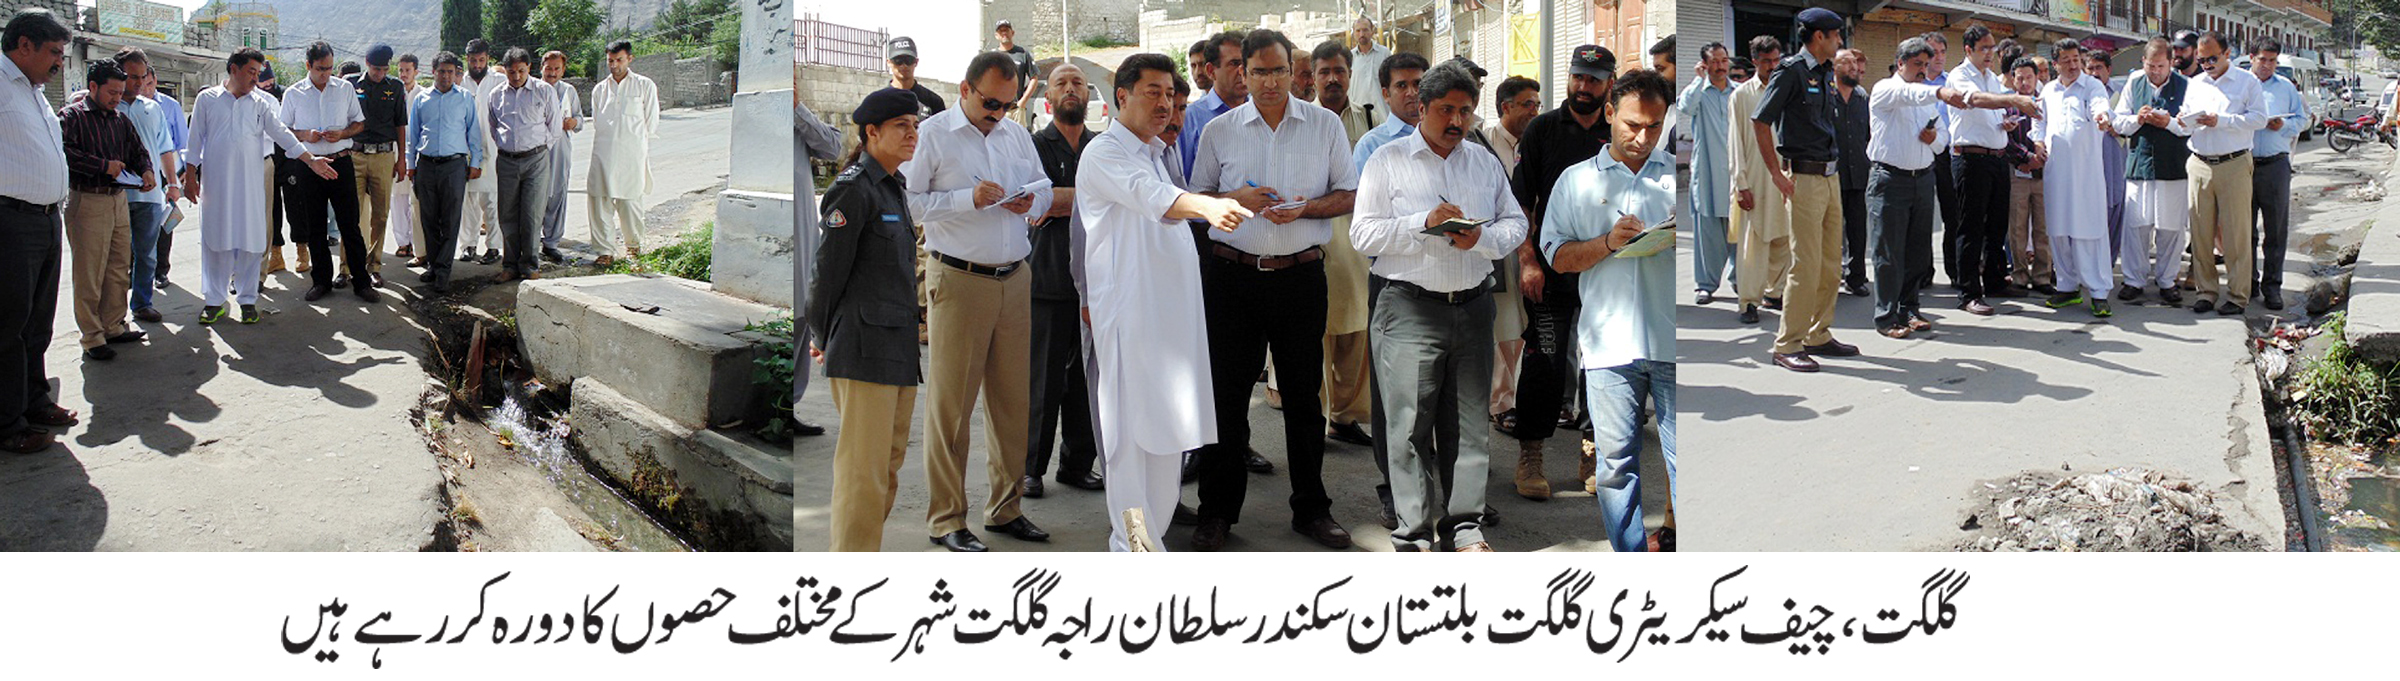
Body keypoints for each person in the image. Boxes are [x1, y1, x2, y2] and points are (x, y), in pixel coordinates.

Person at [1185, 28, 1361, 551]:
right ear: (1242, 73)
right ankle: (1217, 512)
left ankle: (1311, 509)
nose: (1268, 82)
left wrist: (1305, 209)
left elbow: (1349, 193)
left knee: (1304, 399)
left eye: (1278, 70)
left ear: (1292, 72)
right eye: (1257, 72)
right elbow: (1197, 198)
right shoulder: (1219, 130)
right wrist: (1235, 200)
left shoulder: (1324, 126)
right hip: (1232, 278)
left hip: (1300, 278)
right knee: (1227, 398)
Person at [1354, 62, 1527, 552]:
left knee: (1469, 426)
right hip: (1408, 308)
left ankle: (1465, 528)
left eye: (1465, 111)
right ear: (1422, 107)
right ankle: (1413, 533)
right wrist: (1421, 223)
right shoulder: (1387, 160)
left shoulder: (1482, 162)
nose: (1456, 120)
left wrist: (1481, 239)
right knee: (1408, 427)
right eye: (1446, 109)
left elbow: (1515, 223)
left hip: (1472, 306)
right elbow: (1362, 234)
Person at [1081, 53, 1251, 551]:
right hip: (1131, 326)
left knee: (1167, 440)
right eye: (1152, 92)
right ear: (1122, 97)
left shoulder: (1155, 152)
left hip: (1170, 330)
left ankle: (1149, 547)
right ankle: (1133, 547)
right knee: (1129, 449)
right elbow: (1151, 198)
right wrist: (1206, 204)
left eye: (1170, 95)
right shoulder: (1106, 152)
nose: (1164, 104)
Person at [902, 51, 1057, 553]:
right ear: (965, 90)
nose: (999, 113)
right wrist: (966, 199)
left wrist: (1029, 201)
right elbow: (907, 202)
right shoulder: (932, 135)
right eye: (991, 103)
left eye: (1008, 105)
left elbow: (1043, 188)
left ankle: (1006, 508)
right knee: (952, 408)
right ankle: (946, 518)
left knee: (1013, 403)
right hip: (959, 279)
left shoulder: (1015, 134)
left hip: (1015, 276)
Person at [1540, 68, 1677, 553]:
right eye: (1633, 125)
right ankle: (1630, 559)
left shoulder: (1678, 176)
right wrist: (1607, 243)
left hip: (1674, 343)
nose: (1643, 138)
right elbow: (1556, 256)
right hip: (1608, 346)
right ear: (1610, 113)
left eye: (1654, 127)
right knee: (1616, 466)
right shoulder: (1576, 181)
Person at [813, 87, 925, 552]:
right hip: (862, 349)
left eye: (915, 126)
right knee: (863, 476)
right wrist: (823, 336)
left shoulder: (893, 186)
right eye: (902, 126)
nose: (912, 134)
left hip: (897, 349)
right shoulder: (853, 189)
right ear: (872, 132)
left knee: (886, 470)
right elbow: (827, 274)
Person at [1507, 44, 1609, 500]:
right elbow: (1520, 203)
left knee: (1601, 362)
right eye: (1578, 77)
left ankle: (1592, 450)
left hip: (1606, 272)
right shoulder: (1543, 129)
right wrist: (1528, 260)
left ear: (1608, 84)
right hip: (1551, 271)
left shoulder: (1615, 131)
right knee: (1544, 360)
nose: (1583, 87)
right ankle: (1531, 453)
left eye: (1593, 80)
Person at [184, 47, 338, 325]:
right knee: (216, 241)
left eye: (258, 72)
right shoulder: (207, 99)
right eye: (251, 72)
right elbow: (195, 139)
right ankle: (214, 301)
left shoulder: (260, 104)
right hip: (216, 186)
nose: (256, 78)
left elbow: (282, 134)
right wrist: (190, 175)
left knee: (250, 241)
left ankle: (247, 300)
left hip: (250, 185)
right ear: (234, 69)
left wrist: (311, 160)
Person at [1751, 8, 1856, 373]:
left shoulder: (1825, 72)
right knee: (1805, 265)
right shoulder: (1791, 71)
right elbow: (1760, 121)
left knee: (1830, 265)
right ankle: (1787, 344)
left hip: (1830, 176)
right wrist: (1776, 174)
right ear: (1819, 37)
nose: (1839, 41)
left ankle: (1817, 333)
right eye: (1835, 35)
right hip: (1804, 178)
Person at [1023, 63, 1102, 500]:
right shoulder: (1034, 146)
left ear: (1088, 95)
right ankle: (1030, 468)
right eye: (1061, 83)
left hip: (1094, 280)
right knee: (1043, 381)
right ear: (1048, 98)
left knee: (1087, 380)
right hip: (1047, 277)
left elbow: (1057, 201)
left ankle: (1077, 464)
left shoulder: (1100, 147)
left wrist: (1060, 200)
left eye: (1077, 83)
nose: (1070, 89)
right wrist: (1093, 197)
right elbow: (1037, 200)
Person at [0, 8, 74, 453]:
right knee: (7, 325)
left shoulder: (33, 90)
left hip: (45, 219)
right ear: (24, 45)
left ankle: (34, 401)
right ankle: (7, 424)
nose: (59, 63)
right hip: (10, 222)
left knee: (37, 323)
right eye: (54, 52)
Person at [1866, 37, 1969, 339]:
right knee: (1889, 253)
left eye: (1926, 64)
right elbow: (1908, 93)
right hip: (1890, 180)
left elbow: (1943, 138)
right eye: (1917, 64)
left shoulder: (1926, 99)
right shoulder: (1886, 89)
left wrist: (1933, 139)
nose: (1923, 70)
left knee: (1917, 251)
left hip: (1922, 179)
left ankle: (1909, 309)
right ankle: (1886, 317)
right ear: (1900, 63)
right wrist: (1940, 91)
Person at [58, 59, 152, 363]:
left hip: (117, 199)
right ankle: (92, 336)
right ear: (93, 86)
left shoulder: (119, 120)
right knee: (90, 272)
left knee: (118, 266)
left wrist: (146, 171)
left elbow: (137, 150)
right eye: (112, 92)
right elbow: (65, 152)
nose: (116, 98)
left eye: (120, 93)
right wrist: (103, 166)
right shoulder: (72, 117)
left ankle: (113, 325)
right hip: (88, 200)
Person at [1311, 40, 1377, 450]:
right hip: (1315, 238)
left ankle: (1346, 416)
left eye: (1340, 71)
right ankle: (1314, 420)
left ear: (1350, 75)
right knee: (1314, 335)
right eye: (1325, 72)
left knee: (1356, 332)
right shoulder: (1301, 120)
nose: (1333, 79)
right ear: (1313, 77)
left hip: (1357, 243)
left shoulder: (1369, 119)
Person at [278, 40, 375, 303]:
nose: (326, 73)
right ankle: (321, 281)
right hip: (309, 165)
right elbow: (282, 131)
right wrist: (304, 135)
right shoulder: (294, 93)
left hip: (340, 162)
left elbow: (359, 123)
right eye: (320, 68)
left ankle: (361, 282)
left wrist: (342, 133)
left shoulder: (344, 89)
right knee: (315, 226)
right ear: (308, 65)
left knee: (350, 225)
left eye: (330, 68)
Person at [2183, 31, 2267, 317]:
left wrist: (2222, 121)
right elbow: (2185, 118)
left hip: (2234, 163)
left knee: (2236, 234)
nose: (2207, 64)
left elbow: (2259, 118)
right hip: (2199, 162)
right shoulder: (2196, 83)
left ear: (2227, 53)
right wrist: (2182, 121)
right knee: (2200, 233)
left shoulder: (2247, 81)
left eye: (2212, 59)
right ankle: (2206, 291)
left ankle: (2237, 295)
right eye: (2202, 60)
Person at [2109, 37, 2194, 306]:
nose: (2155, 71)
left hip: (2173, 166)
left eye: (2160, 66)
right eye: (2151, 66)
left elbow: (2191, 126)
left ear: (2170, 63)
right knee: (2136, 226)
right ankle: (2134, 280)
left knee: (2171, 228)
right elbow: (2119, 122)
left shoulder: (2186, 86)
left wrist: (2168, 122)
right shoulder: (2134, 83)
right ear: (2143, 62)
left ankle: (2167, 280)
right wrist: (2138, 119)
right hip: (2140, 165)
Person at [2038, 40, 2118, 318]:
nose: (2073, 66)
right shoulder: (2049, 90)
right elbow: (2039, 121)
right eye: (2066, 60)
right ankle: (2067, 286)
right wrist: (2037, 141)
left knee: (2089, 231)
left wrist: (2102, 116)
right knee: (2059, 231)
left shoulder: (2092, 86)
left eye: (2076, 60)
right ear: (2055, 64)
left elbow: (2100, 106)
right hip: (2056, 172)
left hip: (2086, 175)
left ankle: (2099, 292)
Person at [1946, 23, 2018, 316]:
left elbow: (1993, 113)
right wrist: (2012, 99)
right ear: (1968, 50)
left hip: (1997, 157)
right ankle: (1968, 292)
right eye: (1984, 48)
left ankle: (1994, 280)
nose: (1990, 54)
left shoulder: (1991, 78)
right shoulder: (1960, 75)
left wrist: (2005, 123)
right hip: (1971, 159)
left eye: (1992, 48)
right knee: (1971, 227)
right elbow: (1975, 100)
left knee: (1997, 226)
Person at [1484, 74, 1539, 452]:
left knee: (1522, 326)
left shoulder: (1536, 141)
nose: (1534, 111)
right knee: (1501, 324)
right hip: (1498, 247)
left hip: (1531, 246)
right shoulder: (1483, 142)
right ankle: (1500, 402)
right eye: (1527, 104)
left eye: (1537, 104)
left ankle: (1514, 396)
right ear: (1506, 107)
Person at [403, 52, 482, 294]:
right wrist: (410, 164)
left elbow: (473, 132)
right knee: (429, 219)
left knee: (450, 219)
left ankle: (443, 271)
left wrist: (476, 162)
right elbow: (413, 135)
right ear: (433, 71)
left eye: (450, 71)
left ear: (456, 73)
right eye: (441, 71)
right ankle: (434, 266)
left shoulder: (465, 98)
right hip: (426, 166)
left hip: (454, 166)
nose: (446, 76)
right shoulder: (422, 99)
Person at [114, 47, 179, 326]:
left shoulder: (153, 109)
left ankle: (142, 304)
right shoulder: (107, 106)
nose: (139, 83)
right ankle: (113, 315)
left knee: (147, 255)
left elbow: (165, 149)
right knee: (116, 259)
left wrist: (172, 183)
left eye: (143, 77)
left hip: (150, 195)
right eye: (132, 77)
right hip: (114, 194)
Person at [487, 48, 561, 283]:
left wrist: (536, 148)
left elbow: (555, 128)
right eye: (511, 72)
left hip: (536, 161)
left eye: (521, 71)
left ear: (529, 67)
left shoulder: (544, 91)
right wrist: (509, 147)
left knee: (532, 215)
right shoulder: (496, 95)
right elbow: (494, 127)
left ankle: (529, 266)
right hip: (506, 161)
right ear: (505, 71)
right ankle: (509, 265)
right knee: (507, 214)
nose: (516, 76)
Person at [1730, 35, 1789, 326]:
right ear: (1755, 61)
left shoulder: (1788, 89)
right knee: (1753, 244)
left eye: (1776, 60)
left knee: (1784, 238)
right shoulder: (1742, 95)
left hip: (1787, 176)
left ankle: (1775, 293)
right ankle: (1749, 302)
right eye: (1766, 61)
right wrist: (1741, 184)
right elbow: (1735, 142)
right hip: (1755, 176)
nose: (1772, 66)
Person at [588, 40, 659, 268]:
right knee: (599, 202)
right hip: (603, 153)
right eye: (610, 60)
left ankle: (633, 249)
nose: (614, 65)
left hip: (631, 155)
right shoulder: (600, 90)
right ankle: (605, 252)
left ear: (630, 59)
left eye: (619, 60)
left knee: (630, 203)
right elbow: (598, 122)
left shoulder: (644, 86)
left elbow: (651, 122)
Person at [347, 44, 408, 285]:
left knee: (381, 215)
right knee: (350, 214)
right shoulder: (350, 84)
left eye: (384, 69)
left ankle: (374, 266)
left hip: (384, 156)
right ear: (367, 63)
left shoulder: (396, 87)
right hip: (356, 155)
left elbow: (400, 124)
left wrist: (401, 159)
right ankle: (346, 268)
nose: (380, 74)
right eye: (376, 69)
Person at [2250, 40, 2304, 311]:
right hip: (2243, 165)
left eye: (2272, 61)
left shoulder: (2286, 88)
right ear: (2251, 57)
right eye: (2263, 59)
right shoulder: (2241, 85)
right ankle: (2247, 283)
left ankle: (2272, 287)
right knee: (2243, 231)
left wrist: (2282, 125)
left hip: (2275, 166)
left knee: (2275, 230)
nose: (2267, 65)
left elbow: (2302, 119)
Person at [1682, 42, 1735, 306]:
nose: (1720, 66)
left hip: (1736, 174)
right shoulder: (1699, 92)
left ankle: (1741, 283)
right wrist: (1698, 79)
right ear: (1704, 64)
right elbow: (1685, 107)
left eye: (1723, 60)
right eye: (1714, 61)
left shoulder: (1738, 92)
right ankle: (1706, 285)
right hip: (1708, 174)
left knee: (1739, 232)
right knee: (1708, 234)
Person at [2002, 56, 2054, 297]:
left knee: (2044, 227)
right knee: (2017, 227)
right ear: (2013, 80)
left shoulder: (2046, 103)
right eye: (2020, 78)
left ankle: (2043, 275)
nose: (2024, 83)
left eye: (2029, 77)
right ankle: (2020, 274)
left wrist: (2039, 158)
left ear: (2037, 78)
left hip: (2044, 174)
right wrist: (2025, 158)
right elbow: (2004, 139)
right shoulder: (2006, 106)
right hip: (2018, 173)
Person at [460, 39, 507, 264]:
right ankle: (468, 245)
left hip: (494, 149)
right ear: (467, 59)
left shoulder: (500, 81)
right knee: (468, 200)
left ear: (488, 58)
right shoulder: (461, 82)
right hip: (466, 149)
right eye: (473, 60)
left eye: (481, 60)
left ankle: (494, 247)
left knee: (492, 200)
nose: (477, 64)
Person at [1180, 31, 1247, 181]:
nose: (1243, 71)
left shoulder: (1262, 112)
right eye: (1234, 64)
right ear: (1211, 71)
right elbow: (1182, 181)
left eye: (1246, 64)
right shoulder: (1189, 118)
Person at [1833, 48, 1872, 297]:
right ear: (1835, 67)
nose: (1854, 69)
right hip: (1831, 174)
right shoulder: (1826, 95)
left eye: (1855, 65)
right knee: (1831, 230)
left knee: (1857, 229)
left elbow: (1869, 134)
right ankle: (1830, 276)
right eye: (1847, 64)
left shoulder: (1862, 97)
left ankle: (1856, 277)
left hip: (1858, 172)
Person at [538, 50, 583, 264]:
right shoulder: (532, 88)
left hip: (560, 149)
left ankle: (551, 243)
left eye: (557, 69)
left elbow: (579, 118)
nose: (552, 73)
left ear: (563, 70)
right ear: (541, 68)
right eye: (549, 68)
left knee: (557, 193)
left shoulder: (568, 91)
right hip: (537, 148)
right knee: (534, 195)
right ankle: (530, 242)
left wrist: (573, 122)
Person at [391, 54, 427, 267]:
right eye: (401, 70)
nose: (403, 74)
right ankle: (402, 242)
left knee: (416, 201)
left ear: (416, 72)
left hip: (417, 153)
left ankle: (417, 244)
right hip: (396, 151)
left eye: (407, 70)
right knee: (398, 198)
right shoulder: (392, 92)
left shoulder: (424, 94)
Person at [887, 37, 945, 117]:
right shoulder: (878, 102)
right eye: (898, 60)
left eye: (909, 60)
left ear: (916, 62)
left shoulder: (933, 102)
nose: (904, 65)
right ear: (889, 62)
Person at [1348, 16, 1390, 128]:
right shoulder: (1349, 57)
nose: (1361, 34)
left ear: (1372, 31)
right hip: (1358, 116)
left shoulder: (1384, 54)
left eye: (1365, 30)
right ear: (1353, 33)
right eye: (1358, 30)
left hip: (1382, 114)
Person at [995, 20, 1036, 124]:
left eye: (1006, 30)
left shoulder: (1022, 53)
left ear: (1012, 33)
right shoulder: (992, 56)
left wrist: (1023, 101)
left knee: (1019, 135)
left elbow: (1034, 78)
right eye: (1001, 31)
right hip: (997, 110)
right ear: (996, 35)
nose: (1004, 33)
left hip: (1017, 110)